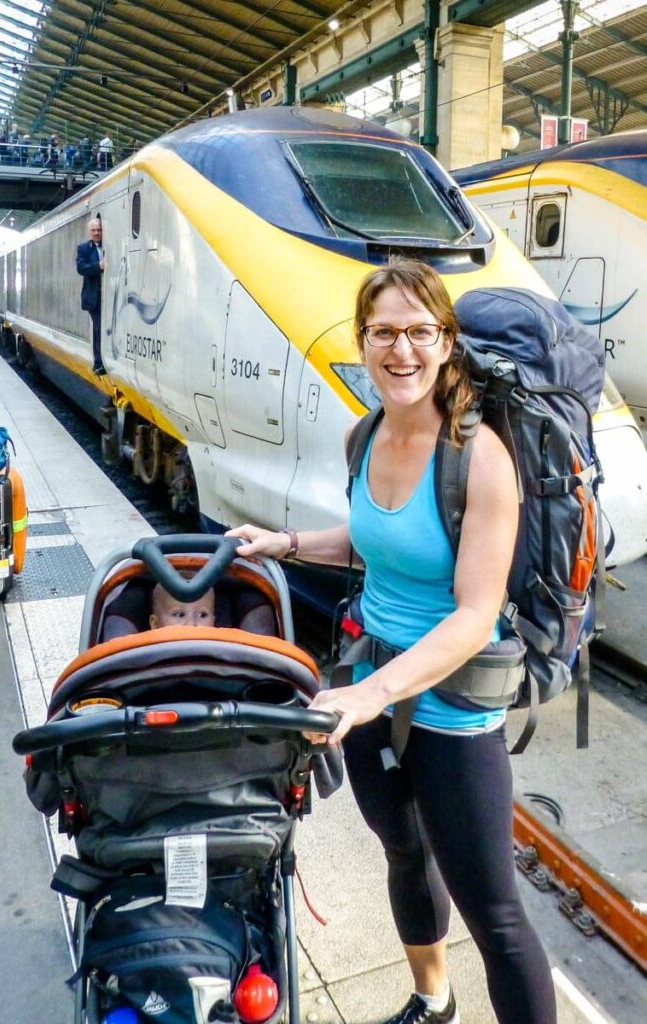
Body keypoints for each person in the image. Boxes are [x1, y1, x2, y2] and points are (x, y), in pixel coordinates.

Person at [226, 259, 556, 1024]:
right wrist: (283, 543)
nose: (400, 351)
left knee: (496, 915)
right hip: (372, 688)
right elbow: (377, 541)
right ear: (361, 341)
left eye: (418, 332)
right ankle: (432, 999)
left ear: (445, 342)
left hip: (447, 709)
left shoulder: (481, 460)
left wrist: (373, 692)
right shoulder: (362, 434)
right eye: (383, 333)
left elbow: (474, 615)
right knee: (404, 852)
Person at [76, 218, 106, 375]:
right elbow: (81, 268)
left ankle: (103, 360)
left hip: (108, 297)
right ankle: (99, 362)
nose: (97, 233)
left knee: (102, 328)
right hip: (93, 297)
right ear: (90, 232)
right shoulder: (83, 248)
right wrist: (98, 266)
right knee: (99, 326)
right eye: (94, 230)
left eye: (99, 230)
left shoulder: (109, 245)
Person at [149, 582, 215, 629]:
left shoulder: (221, 647)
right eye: (180, 615)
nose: (191, 624)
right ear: (155, 625)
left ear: (213, 623)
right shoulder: (144, 648)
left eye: (202, 615)